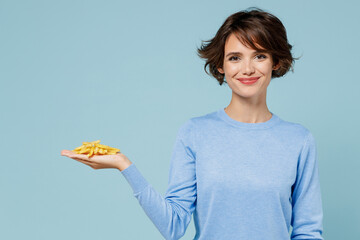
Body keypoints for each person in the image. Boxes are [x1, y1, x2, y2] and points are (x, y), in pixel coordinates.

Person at [61, 7, 324, 240]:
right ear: (220, 65)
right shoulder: (196, 133)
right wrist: (124, 165)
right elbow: (173, 226)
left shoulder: (298, 140)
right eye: (235, 57)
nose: (247, 68)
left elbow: (308, 232)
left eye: (259, 56)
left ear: (275, 62)